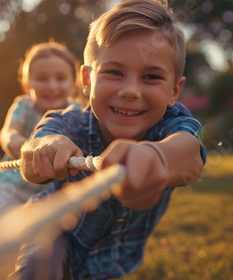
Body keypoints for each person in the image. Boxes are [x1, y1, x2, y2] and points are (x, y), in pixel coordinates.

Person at [13, 0, 208, 279]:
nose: (130, 91)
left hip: (111, 260)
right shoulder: (69, 121)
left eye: (151, 77)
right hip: (52, 229)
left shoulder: (173, 123)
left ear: (174, 91)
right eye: (114, 72)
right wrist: (45, 148)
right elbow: (32, 155)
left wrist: (159, 158)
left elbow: (190, 156)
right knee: (39, 267)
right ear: (87, 80)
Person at [0, 41, 81, 279]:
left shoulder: (76, 111)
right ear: (27, 83)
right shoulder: (24, 105)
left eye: (60, 78)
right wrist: (23, 146)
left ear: (74, 82)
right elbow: (8, 133)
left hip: (52, 193)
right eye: (41, 78)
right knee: (6, 246)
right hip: (13, 189)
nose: (51, 86)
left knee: (43, 249)